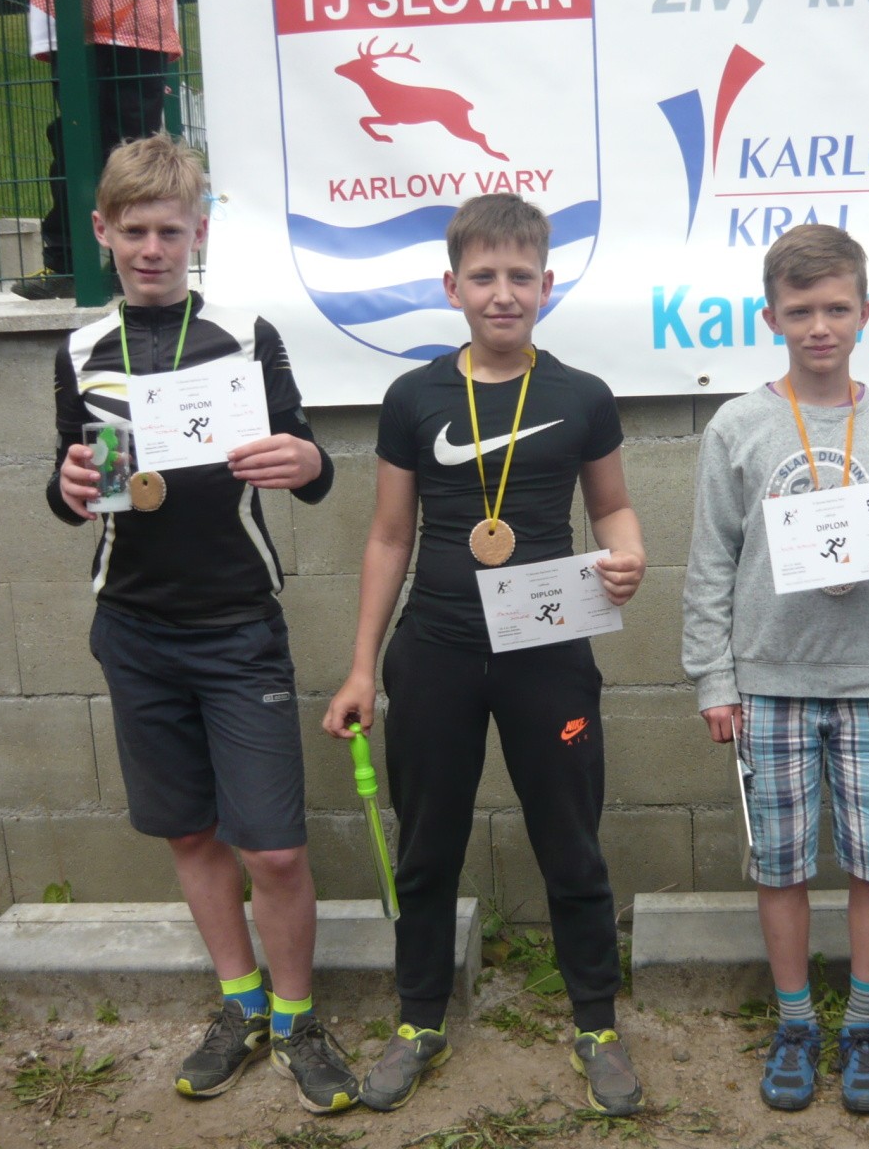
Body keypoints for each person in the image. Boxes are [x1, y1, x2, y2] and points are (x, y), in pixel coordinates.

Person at [45, 133, 355, 1114]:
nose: (151, 248)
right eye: (133, 230)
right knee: (187, 831)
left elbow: (310, 461)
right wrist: (65, 486)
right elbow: (71, 486)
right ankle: (241, 1003)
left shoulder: (245, 334)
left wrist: (304, 462)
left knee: (274, 848)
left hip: (235, 628)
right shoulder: (80, 350)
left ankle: (298, 1019)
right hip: (133, 628)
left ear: (199, 234)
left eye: (169, 231)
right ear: (102, 232)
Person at [321, 194, 648, 1116]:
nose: (502, 293)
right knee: (427, 847)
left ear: (547, 284)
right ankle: (419, 1019)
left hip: (549, 649)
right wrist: (361, 667)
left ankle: (595, 1024)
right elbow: (389, 536)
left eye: (520, 277)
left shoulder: (581, 395)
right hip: (436, 650)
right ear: (451, 286)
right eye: (483, 277)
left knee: (571, 845)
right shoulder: (413, 397)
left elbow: (612, 507)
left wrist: (628, 554)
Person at [681, 224, 869, 1114]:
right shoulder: (738, 425)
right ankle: (795, 1022)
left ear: (866, 314)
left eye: (836, 308)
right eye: (800, 311)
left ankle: (863, 1024)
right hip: (768, 684)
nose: (819, 326)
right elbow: (710, 561)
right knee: (780, 866)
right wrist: (714, 679)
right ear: (771, 318)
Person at [16, 0, 182, 299]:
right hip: (67, 5)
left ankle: (133, 261)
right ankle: (67, 263)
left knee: (132, 146)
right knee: (73, 139)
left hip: (136, 13)